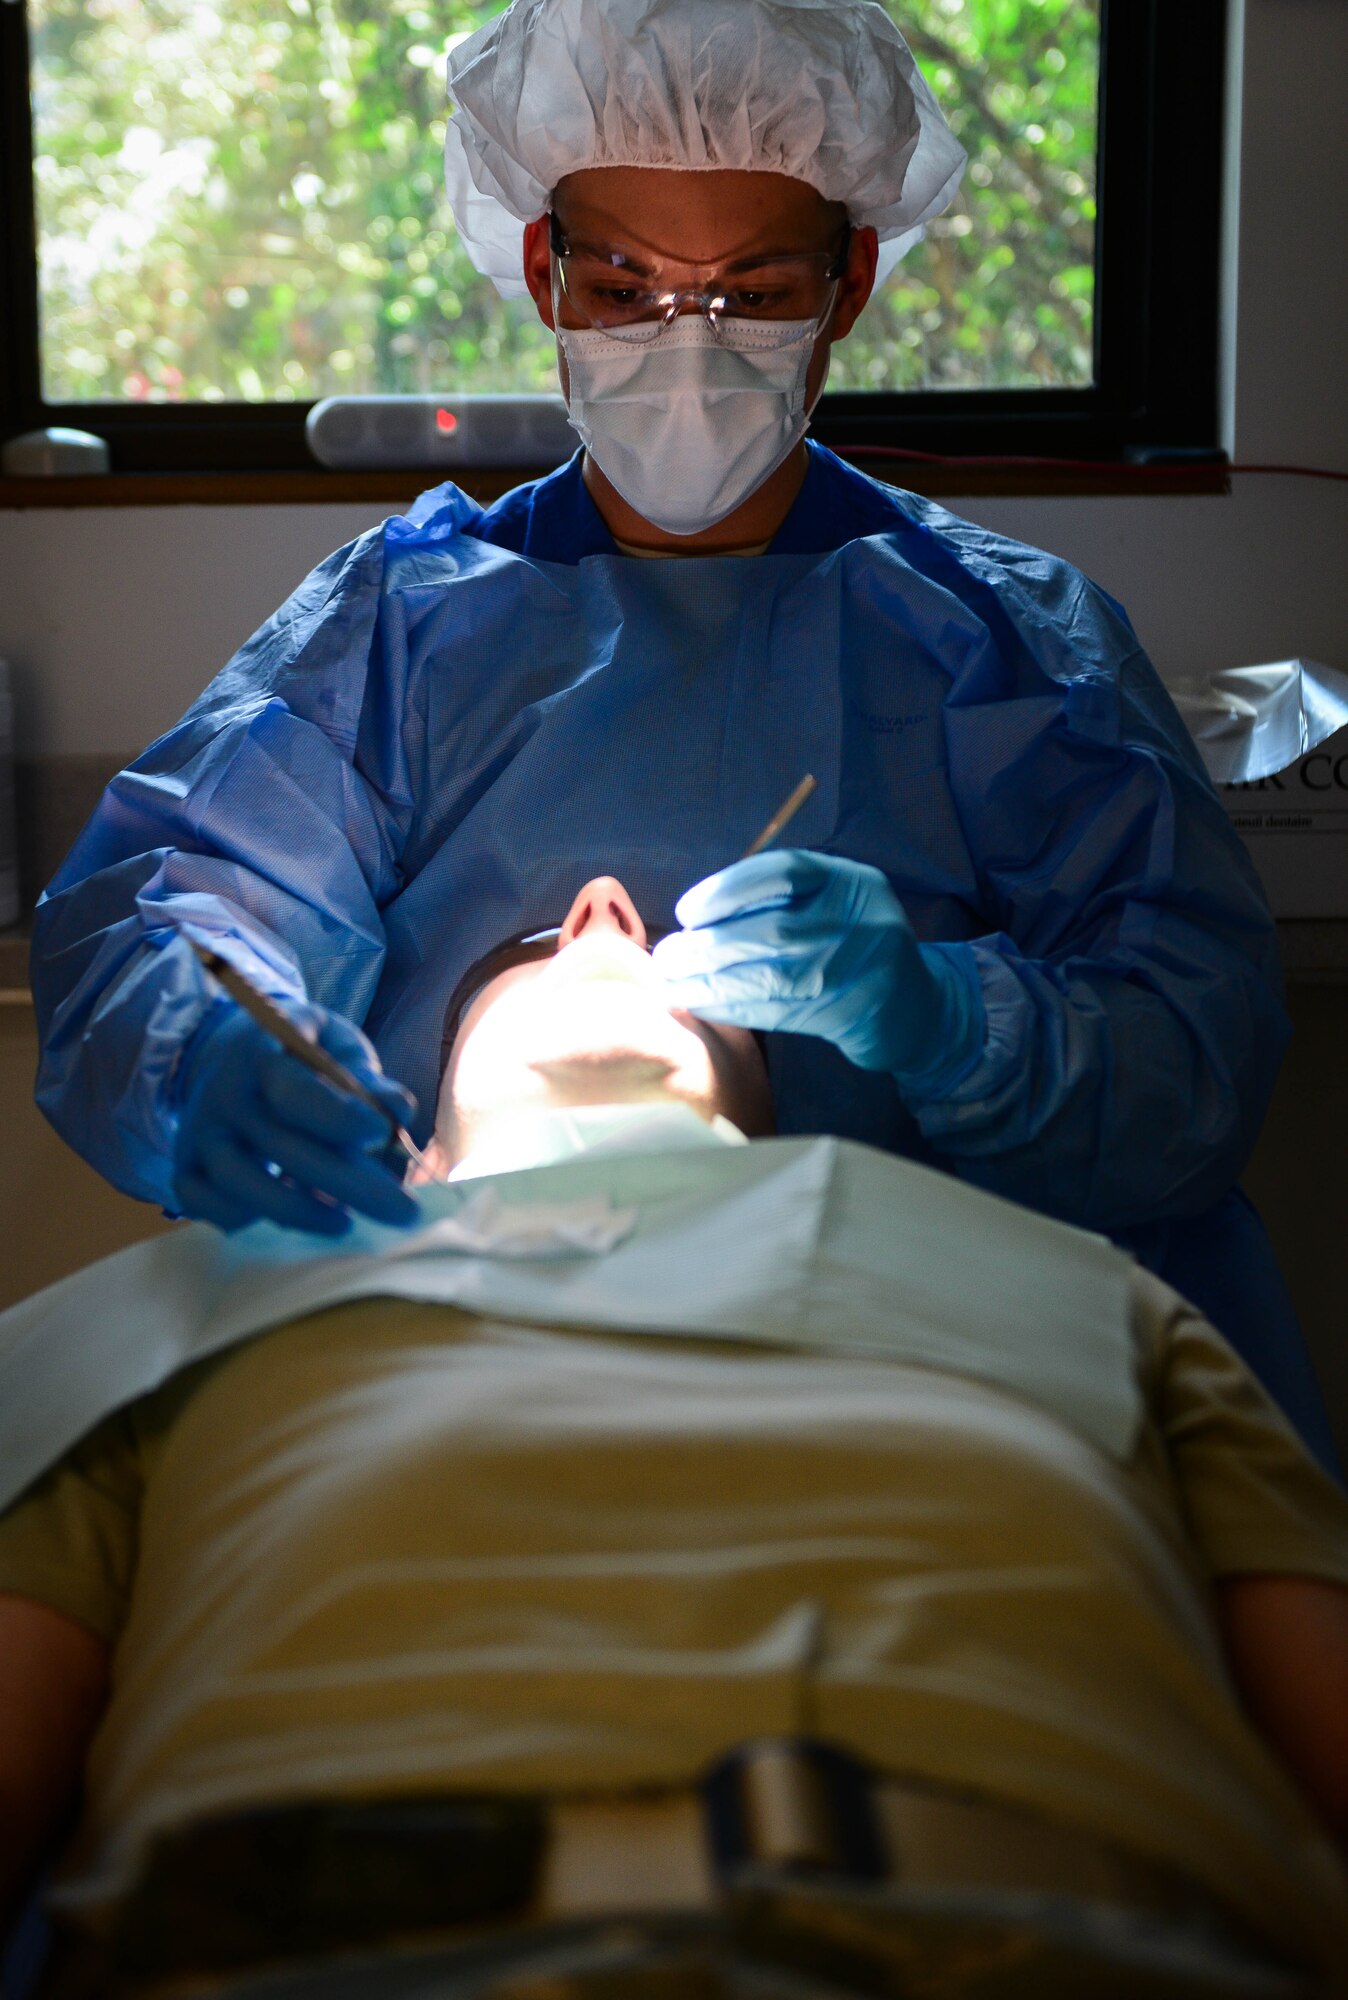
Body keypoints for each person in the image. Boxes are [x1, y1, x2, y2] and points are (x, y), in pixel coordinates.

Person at [27, 0, 1336, 1469]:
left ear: (847, 287)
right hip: (464, 1378)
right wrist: (207, 1050)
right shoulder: (405, 628)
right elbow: (174, 913)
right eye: (627, 286)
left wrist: (951, 1022)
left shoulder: (1001, 643)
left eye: (755, 290)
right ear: (545, 271)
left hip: (942, 1389)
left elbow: (1193, 1048)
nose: (687, 343)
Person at [2, 875, 1347, 1999]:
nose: (605, 915)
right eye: (534, 950)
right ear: (411, 1147)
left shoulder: (1082, 1291)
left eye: (658, 955)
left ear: (770, 1111)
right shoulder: (162, 1313)